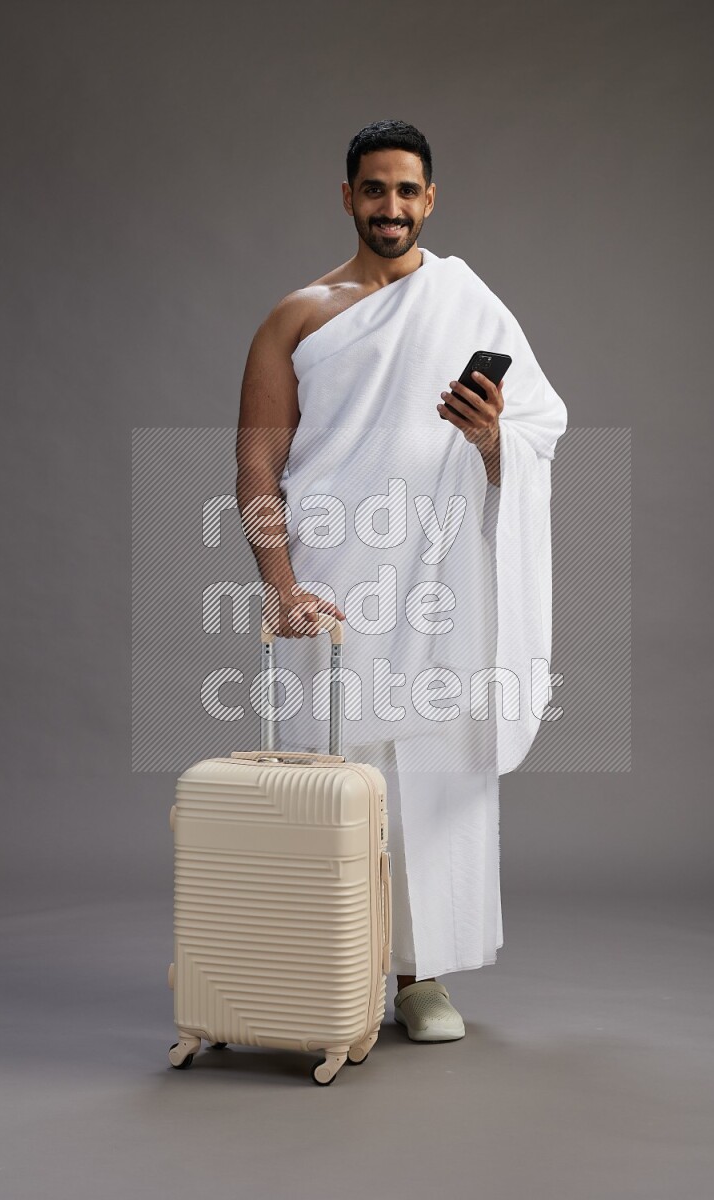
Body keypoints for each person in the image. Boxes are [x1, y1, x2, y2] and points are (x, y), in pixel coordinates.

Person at [235, 119, 567, 1042]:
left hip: (442, 575)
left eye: (408, 191)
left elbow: (535, 432)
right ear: (347, 197)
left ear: (431, 199)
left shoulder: (469, 303)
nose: (392, 207)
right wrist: (280, 584)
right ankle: (327, 970)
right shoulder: (296, 316)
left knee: (433, 767)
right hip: (333, 580)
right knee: (332, 777)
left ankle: (424, 979)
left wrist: (492, 437)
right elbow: (258, 470)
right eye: (374, 190)